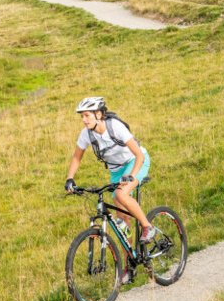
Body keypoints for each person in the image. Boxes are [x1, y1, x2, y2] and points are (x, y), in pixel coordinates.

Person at [65, 97, 156, 248]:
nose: (84, 120)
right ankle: (130, 263)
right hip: (116, 171)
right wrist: (70, 178)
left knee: (121, 194)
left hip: (136, 162)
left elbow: (139, 155)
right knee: (122, 221)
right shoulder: (86, 134)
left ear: (98, 114)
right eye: (82, 116)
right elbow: (76, 157)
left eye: (87, 115)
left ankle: (148, 227)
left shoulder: (115, 127)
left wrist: (131, 175)